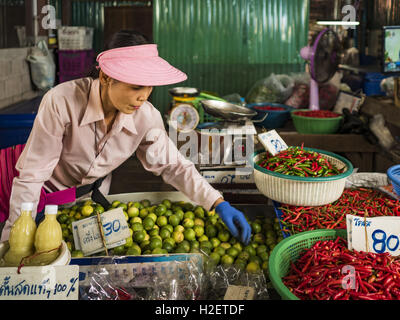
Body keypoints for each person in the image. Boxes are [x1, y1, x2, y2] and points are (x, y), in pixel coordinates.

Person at [1, 30, 251, 245]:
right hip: (35, 196)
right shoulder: (62, 101)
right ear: (106, 77)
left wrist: (218, 203)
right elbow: (33, 174)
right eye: (136, 86)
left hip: (86, 201)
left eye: (149, 86)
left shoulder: (146, 117)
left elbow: (173, 165)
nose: (144, 97)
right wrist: (15, 236)